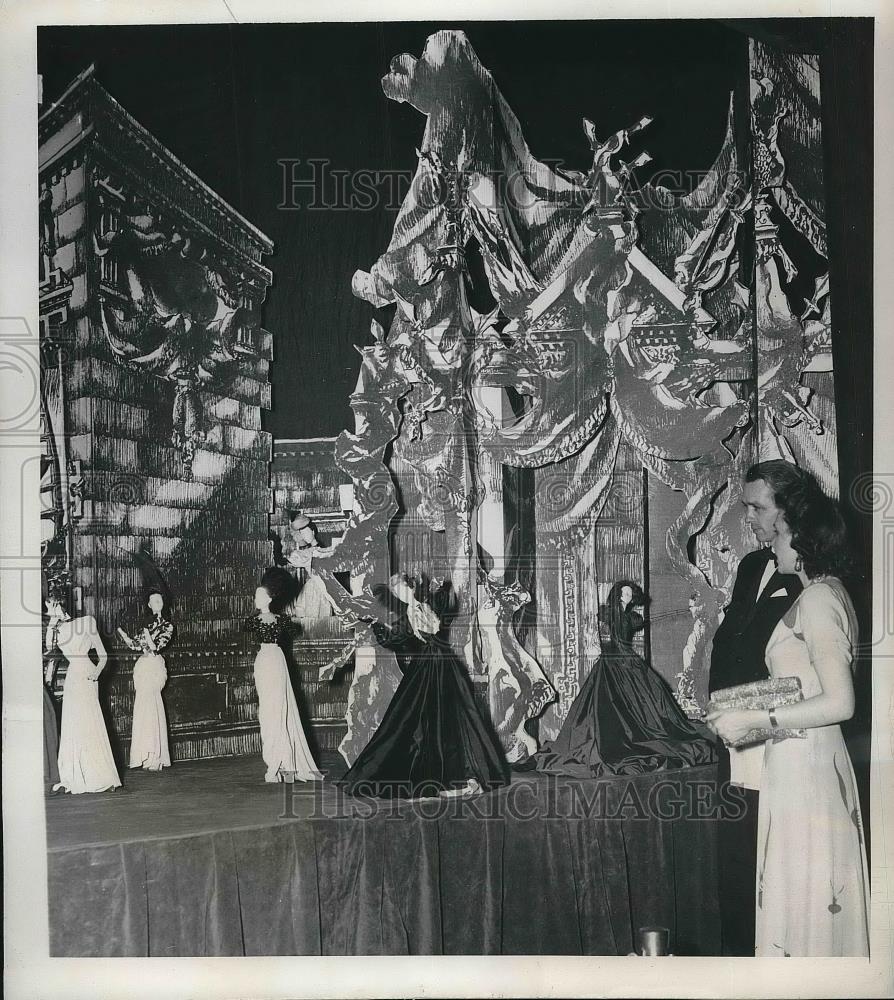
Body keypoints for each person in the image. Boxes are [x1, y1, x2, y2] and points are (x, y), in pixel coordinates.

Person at [706, 473, 869, 956]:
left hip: (806, 768)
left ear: (802, 537)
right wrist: (738, 705)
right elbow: (803, 682)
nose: (769, 543)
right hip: (798, 763)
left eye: (779, 534)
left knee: (804, 904)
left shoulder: (818, 599)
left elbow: (841, 702)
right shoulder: (823, 593)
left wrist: (758, 720)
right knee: (802, 901)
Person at [708, 461, 802, 956]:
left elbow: (802, 679)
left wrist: (743, 713)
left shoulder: (811, 578)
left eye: (756, 507)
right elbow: (731, 645)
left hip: (778, 735)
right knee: (739, 855)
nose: (747, 516)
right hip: (734, 733)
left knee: (777, 859)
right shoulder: (750, 566)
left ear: (789, 511)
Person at [337, 574, 509, 799]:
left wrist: (431, 596)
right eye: (397, 591)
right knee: (413, 719)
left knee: (455, 717)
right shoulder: (407, 615)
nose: (401, 592)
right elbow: (396, 639)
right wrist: (376, 624)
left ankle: (462, 772)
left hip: (443, 668)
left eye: (402, 588)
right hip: (426, 669)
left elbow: (438, 620)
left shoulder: (426, 604)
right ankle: (433, 774)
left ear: (411, 588)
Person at [531, 581, 716, 778]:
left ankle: (641, 735)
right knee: (605, 705)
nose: (627, 596)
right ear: (617, 594)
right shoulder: (608, 613)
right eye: (624, 593)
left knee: (649, 700)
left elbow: (630, 628)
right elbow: (604, 638)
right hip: (611, 663)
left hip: (629, 662)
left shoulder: (632, 617)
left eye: (630, 594)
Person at [243, 567, 323, 784]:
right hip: (266, 662)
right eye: (256, 595)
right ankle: (275, 763)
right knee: (268, 710)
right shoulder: (255, 621)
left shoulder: (280, 621)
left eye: (260, 595)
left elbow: (293, 629)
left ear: (270, 598)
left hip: (275, 662)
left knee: (280, 708)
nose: (256, 599)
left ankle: (285, 763)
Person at [47, 587, 121, 794]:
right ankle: (73, 775)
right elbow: (46, 648)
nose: (47, 612)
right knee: (73, 724)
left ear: (57, 604)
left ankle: (100, 775)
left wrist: (97, 673)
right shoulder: (57, 629)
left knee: (89, 722)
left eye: (48, 607)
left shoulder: (87, 622)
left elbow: (103, 655)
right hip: (72, 677)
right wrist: (52, 623)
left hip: (87, 674)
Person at [117, 590, 174, 772]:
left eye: (159, 599)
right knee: (142, 707)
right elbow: (135, 645)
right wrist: (121, 632)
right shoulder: (146, 624)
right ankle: (144, 755)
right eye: (153, 601)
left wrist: (146, 631)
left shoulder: (167, 626)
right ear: (149, 605)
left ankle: (155, 757)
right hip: (142, 667)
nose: (157, 602)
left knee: (153, 705)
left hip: (154, 666)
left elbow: (155, 647)